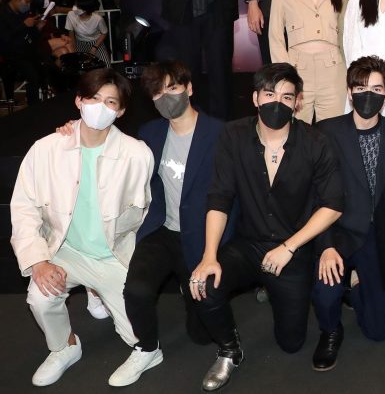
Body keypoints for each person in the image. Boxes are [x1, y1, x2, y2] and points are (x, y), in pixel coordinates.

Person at [189, 63, 344, 391]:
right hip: (249, 243)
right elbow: (219, 198)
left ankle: (272, 286)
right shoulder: (233, 135)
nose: (278, 102)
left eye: (287, 97)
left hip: (293, 248)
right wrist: (209, 255)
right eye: (270, 94)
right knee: (204, 283)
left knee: (291, 343)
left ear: (298, 102)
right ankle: (229, 350)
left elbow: (332, 205)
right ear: (256, 98)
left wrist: (289, 247)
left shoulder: (316, 142)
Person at [11, 69, 153, 387]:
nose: (100, 107)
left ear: (121, 111)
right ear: (79, 101)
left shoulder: (137, 154)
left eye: (111, 102)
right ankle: (65, 346)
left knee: (140, 337)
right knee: (40, 296)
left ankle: (98, 290)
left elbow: (142, 213)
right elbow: (23, 208)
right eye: (94, 98)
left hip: (112, 256)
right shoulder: (46, 149)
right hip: (66, 250)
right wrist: (39, 261)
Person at [106, 61, 230, 386]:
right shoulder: (150, 133)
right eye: (158, 93)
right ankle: (147, 348)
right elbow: (110, 145)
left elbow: (232, 195)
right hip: (162, 230)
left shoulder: (221, 133)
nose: (166, 97)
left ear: (189, 88)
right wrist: (72, 128)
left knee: (200, 334)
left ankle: (190, 292)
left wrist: (218, 248)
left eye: (173, 88)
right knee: (136, 289)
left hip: (202, 234)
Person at [311, 56, 385, 370]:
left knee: (378, 332)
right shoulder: (325, 132)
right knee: (325, 294)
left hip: (379, 235)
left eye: (377, 89)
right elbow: (315, 196)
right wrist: (326, 245)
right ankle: (331, 330)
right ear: (349, 91)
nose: (369, 95)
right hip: (338, 230)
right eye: (361, 88)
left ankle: (354, 284)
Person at [269, 0, 349, 124]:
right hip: (296, 69)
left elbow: (345, 37)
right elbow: (276, 37)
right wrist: (285, 77)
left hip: (333, 71)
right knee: (296, 132)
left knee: (333, 133)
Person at [0, 0, 49, 104]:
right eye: (26, 1)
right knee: (33, 75)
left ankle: (46, 98)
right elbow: (4, 39)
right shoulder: (2, 13)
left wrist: (38, 28)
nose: (27, 5)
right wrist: (24, 25)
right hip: (10, 54)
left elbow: (31, 36)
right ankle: (34, 107)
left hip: (27, 50)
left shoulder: (24, 13)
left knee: (48, 64)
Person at [65, 0, 110, 65]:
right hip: (80, 43)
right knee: (81, 66)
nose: (74, 8)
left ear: (86, 9)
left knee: (106, 65)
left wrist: (94, 48)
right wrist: (73, 50)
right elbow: (71, 33)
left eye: (78, 6)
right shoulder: (71, 15)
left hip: (96, 43)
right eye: (75, 5)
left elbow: (104, 33)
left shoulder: (98, 19)